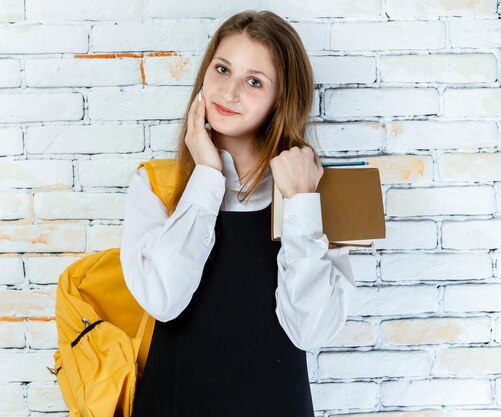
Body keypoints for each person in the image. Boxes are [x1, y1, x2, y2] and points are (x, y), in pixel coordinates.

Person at [119, 10, 357, 416]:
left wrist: (301, 204)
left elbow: (310, 331)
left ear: (281, 98)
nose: (229, 93)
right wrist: (208, 176)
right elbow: (164, 300)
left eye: (253, 81)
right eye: (222, 69)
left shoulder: (315, 191)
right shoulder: (157, 185)